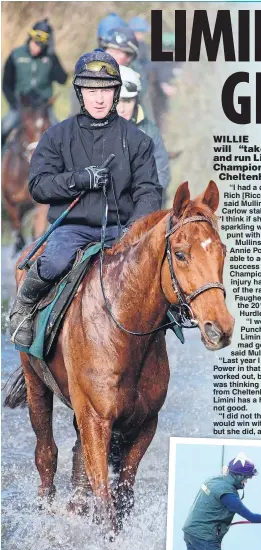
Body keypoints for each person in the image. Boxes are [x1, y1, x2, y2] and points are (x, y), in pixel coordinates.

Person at [9, 49, 162, 349]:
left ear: (116, 93)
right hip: (74, 229)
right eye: (92, 90)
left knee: (153, 272)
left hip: (122, 230)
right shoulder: (56, 136)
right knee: (53, 263)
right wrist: (79, 179)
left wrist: (135, 231)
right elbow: (38, 186)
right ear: (80, 92)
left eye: (106, 90)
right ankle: (24, 308)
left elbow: (149, 191)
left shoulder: (138, 141)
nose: (99, 98)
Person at [2, 18, 67, 147]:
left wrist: (52, 56)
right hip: (20, 106)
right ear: (30, 38)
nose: (37, 48)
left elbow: (62, 79)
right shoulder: (16, 55)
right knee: (4, 128)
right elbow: (6, 84)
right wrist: (14, 103)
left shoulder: (50, 57)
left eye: (41, 45)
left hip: (43, 107)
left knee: (62, 135)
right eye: (35, 43)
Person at [117, 65, 170, 197]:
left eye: (127, 101)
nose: (122, 109)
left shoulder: (150, 131)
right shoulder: (91, 128)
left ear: (136, 101)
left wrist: (143, 199)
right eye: (117, 101)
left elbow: (162, 173)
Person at [151, 32, 182, 133]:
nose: (167, 52)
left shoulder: (180, 63)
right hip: (158, 101)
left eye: (171, 49)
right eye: (165, 48)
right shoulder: (155, 64)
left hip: (178, 104)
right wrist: (163, 85)